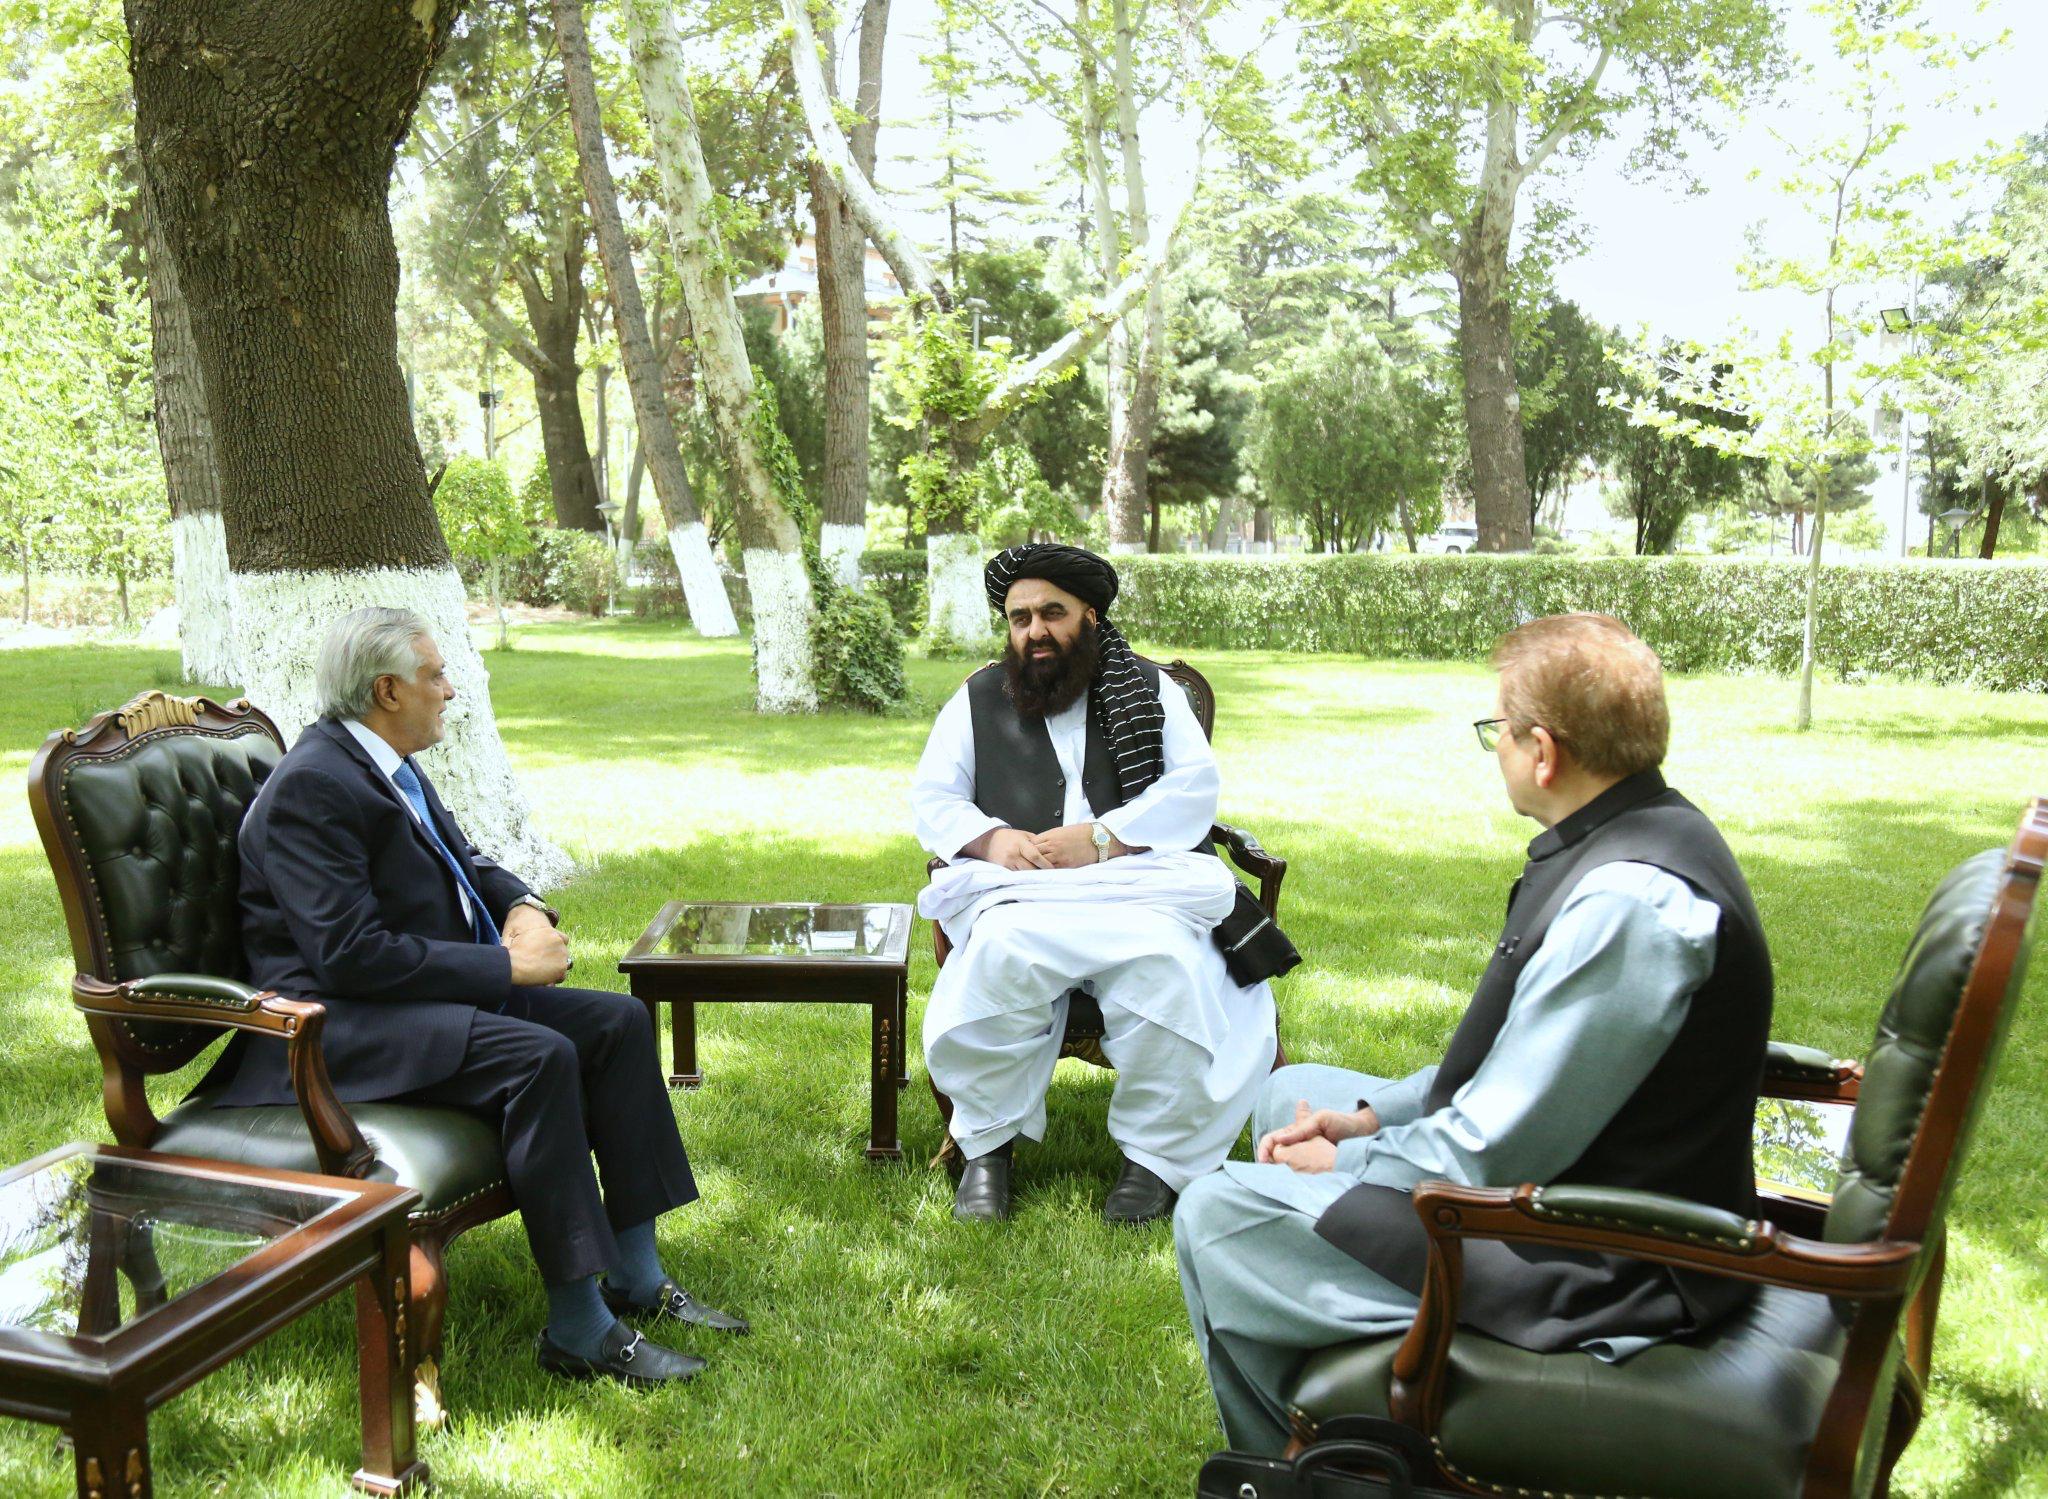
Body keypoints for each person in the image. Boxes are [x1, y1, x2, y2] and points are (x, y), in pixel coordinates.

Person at [1174, 613, 1772, 1455]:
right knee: (1289, 1093)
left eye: (1500, 729)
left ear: (1543, 752)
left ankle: (1312, 1467)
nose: (1497, 748)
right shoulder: (1633, 836)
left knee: (1215, 1212)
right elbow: (1507, 1063)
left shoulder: (1629, 906)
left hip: (1599, 1259)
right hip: (1561, 1191)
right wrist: (1365, 1120)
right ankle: (1350, 1434)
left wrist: (1342, 1164)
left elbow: (1492, 1148)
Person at [208, 607, 745, 1386]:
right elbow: (348, 955)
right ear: (387, 690)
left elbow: (465, 858)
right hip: (333, 1027)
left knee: (619, 1022)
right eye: (435, 675)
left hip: (403, 1002)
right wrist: (507, 969)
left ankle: (636, 1275)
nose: (450, 689)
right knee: (539, 1056)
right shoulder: (314, 787)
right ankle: (579, 1328)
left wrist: (522, 905)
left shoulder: (381, 759)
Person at [911, 543, 1278, 1225]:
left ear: (1090, 615)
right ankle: (986, 1149)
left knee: (1166, 965)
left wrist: (1107, 838)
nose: (1035, 630)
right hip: (1024, 892)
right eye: (1020, 618)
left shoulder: (1150, 688)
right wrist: (992, 840)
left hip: (1137, 885)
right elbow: (934, 797)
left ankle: (1156, 1161)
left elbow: (1194, 788)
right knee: (996, 957)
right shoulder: (977, 699)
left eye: (1052, 613)